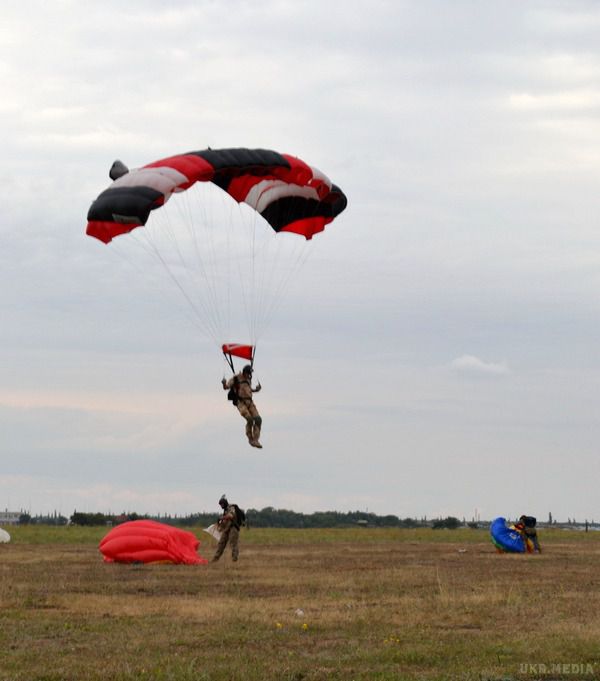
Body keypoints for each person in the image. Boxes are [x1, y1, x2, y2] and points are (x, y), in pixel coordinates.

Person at [222, 364, 263, 448]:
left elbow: (248, 390)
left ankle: (256, 439)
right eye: (248, 373)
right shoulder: (236, 378)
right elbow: (226, 387)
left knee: (258, 419)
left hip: (250, 402)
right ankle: (250, 439)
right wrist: (224, 383)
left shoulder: (248, 380)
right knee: (250, 419)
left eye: (250, 374)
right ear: (245, 372)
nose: (249, 375)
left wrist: (256, 390)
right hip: (241, 402)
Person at [211, 495, 244, 563]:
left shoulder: (231, 507)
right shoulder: (225, 510)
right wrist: (219, 524)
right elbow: (225, 521)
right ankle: (215, 559)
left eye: (222, 504)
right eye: (220, 505)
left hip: (233, 528)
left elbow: (231, 516)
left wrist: (222, 518)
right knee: (221, 543)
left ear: (225, 503)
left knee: (233, 544)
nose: (221, 506)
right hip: (227, 529)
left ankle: (234, 559)